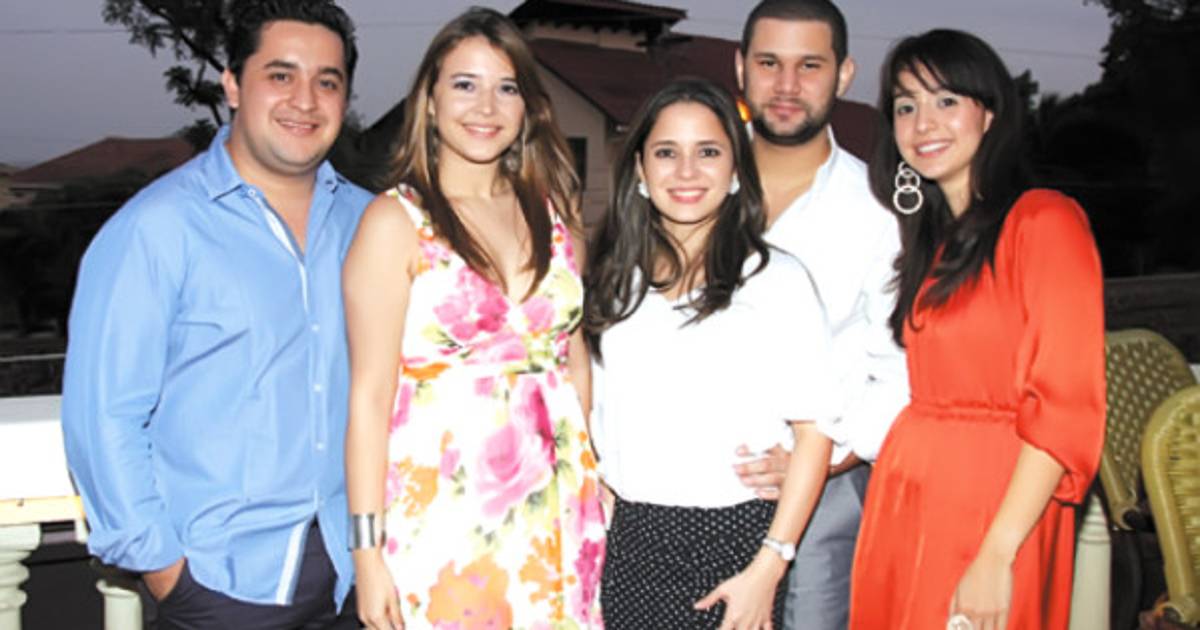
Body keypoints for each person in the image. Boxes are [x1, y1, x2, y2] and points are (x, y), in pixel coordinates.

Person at [61, 1, 371, 628]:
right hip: (222, 587)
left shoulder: (373, 223)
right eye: (280, 75)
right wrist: (166, 572)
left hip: (357, 576)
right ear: (232, 84)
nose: (305, 100)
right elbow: (103, 415)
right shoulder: (157, 229)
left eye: (327, 81)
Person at [342, 7, 605, 629]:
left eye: (506, 87)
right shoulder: (394, 222)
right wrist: (366, 553)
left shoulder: (558, 216)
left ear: (528, 107)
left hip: (559, 513)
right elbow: (369, 398)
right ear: (430, 101)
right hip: (442, 521)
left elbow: (573, 362)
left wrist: (595, 480)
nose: (486, 106)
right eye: (465, 84)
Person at [848, 29, 1105, 630]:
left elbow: (1064, 405)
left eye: (946, 101)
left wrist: (997, 552)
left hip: (996, 505)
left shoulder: (1044, 221)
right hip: (910, 494)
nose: (923, 124)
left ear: (989, 114)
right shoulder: (933, 244)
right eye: (905, 106)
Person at [585, 77, 838, 630]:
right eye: (666, 153)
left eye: (708, 152)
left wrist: (770, 566)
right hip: (627, 546)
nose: (686, 171)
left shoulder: (776, 280)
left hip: (738, 547)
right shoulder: (611, 284)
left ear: (736, 170)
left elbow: (815, 434)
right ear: (640, 171)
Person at [731, 2, 909, 628]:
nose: (786, 85)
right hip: (689, 488)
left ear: (844, 74)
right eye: (769, 63)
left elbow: (898, 367)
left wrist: (829, 460)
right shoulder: (691, 185)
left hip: (825, 502)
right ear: (741, 68)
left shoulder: (879, 210)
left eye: (809, 65)